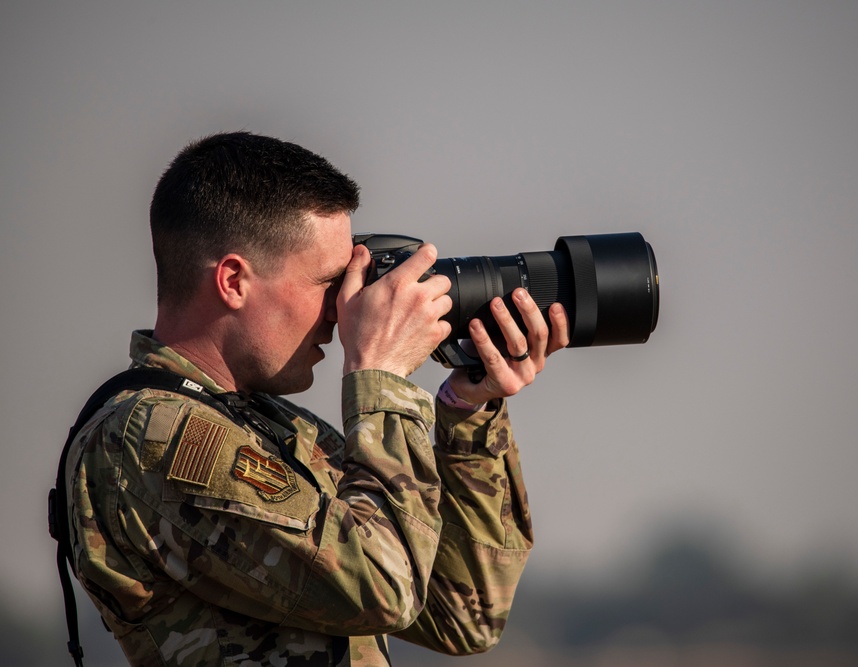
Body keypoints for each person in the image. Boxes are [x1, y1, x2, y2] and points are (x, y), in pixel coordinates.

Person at [62, 131, 569, 666]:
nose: (342, 310)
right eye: (328, 283)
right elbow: (382, 587)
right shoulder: (152, 436)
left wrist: (467, 410)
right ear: (233, 280)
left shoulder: (272, 428)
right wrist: (381, 376)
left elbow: (463, 614)